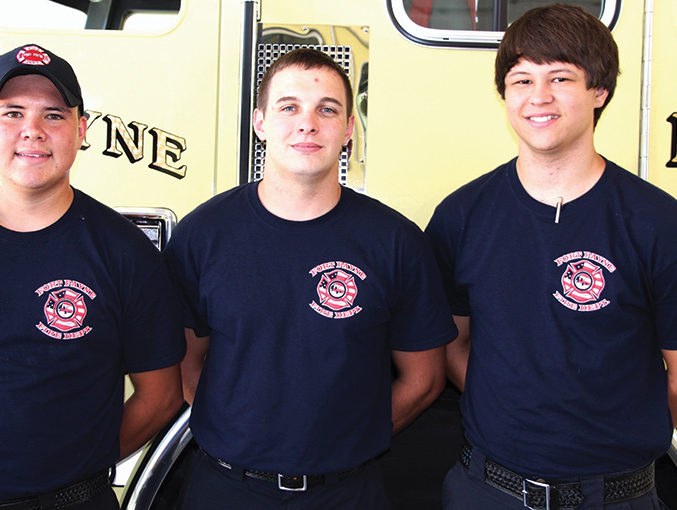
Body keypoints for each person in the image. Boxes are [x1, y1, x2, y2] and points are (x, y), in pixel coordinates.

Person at [425, 4, 677, 509]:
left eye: (560, 78)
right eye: (521, 79)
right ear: (505, 94)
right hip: (485, 492)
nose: (539, 98)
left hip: (615, 497)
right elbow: (451, 343)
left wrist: (605, 426)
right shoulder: (461, 216)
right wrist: (517, 408)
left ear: (599, 92)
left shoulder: (662, 227)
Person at [164, 48, 458, 509]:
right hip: (224, 489)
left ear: (348, 130)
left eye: (327, 108)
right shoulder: (203, 235)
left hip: (347, 493)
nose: (307, 123)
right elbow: (183, 360)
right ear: (260, 122)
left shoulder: (395, 241)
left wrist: (348, 442)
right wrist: (238, 433)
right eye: (289, 107)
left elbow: (424, 378)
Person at [0, 44, 186, 509]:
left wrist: (78, 471)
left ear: (80, 131)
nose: (32, 131)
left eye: (53, 116)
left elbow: (160, 396)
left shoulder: (125, 253)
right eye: (12, 112)